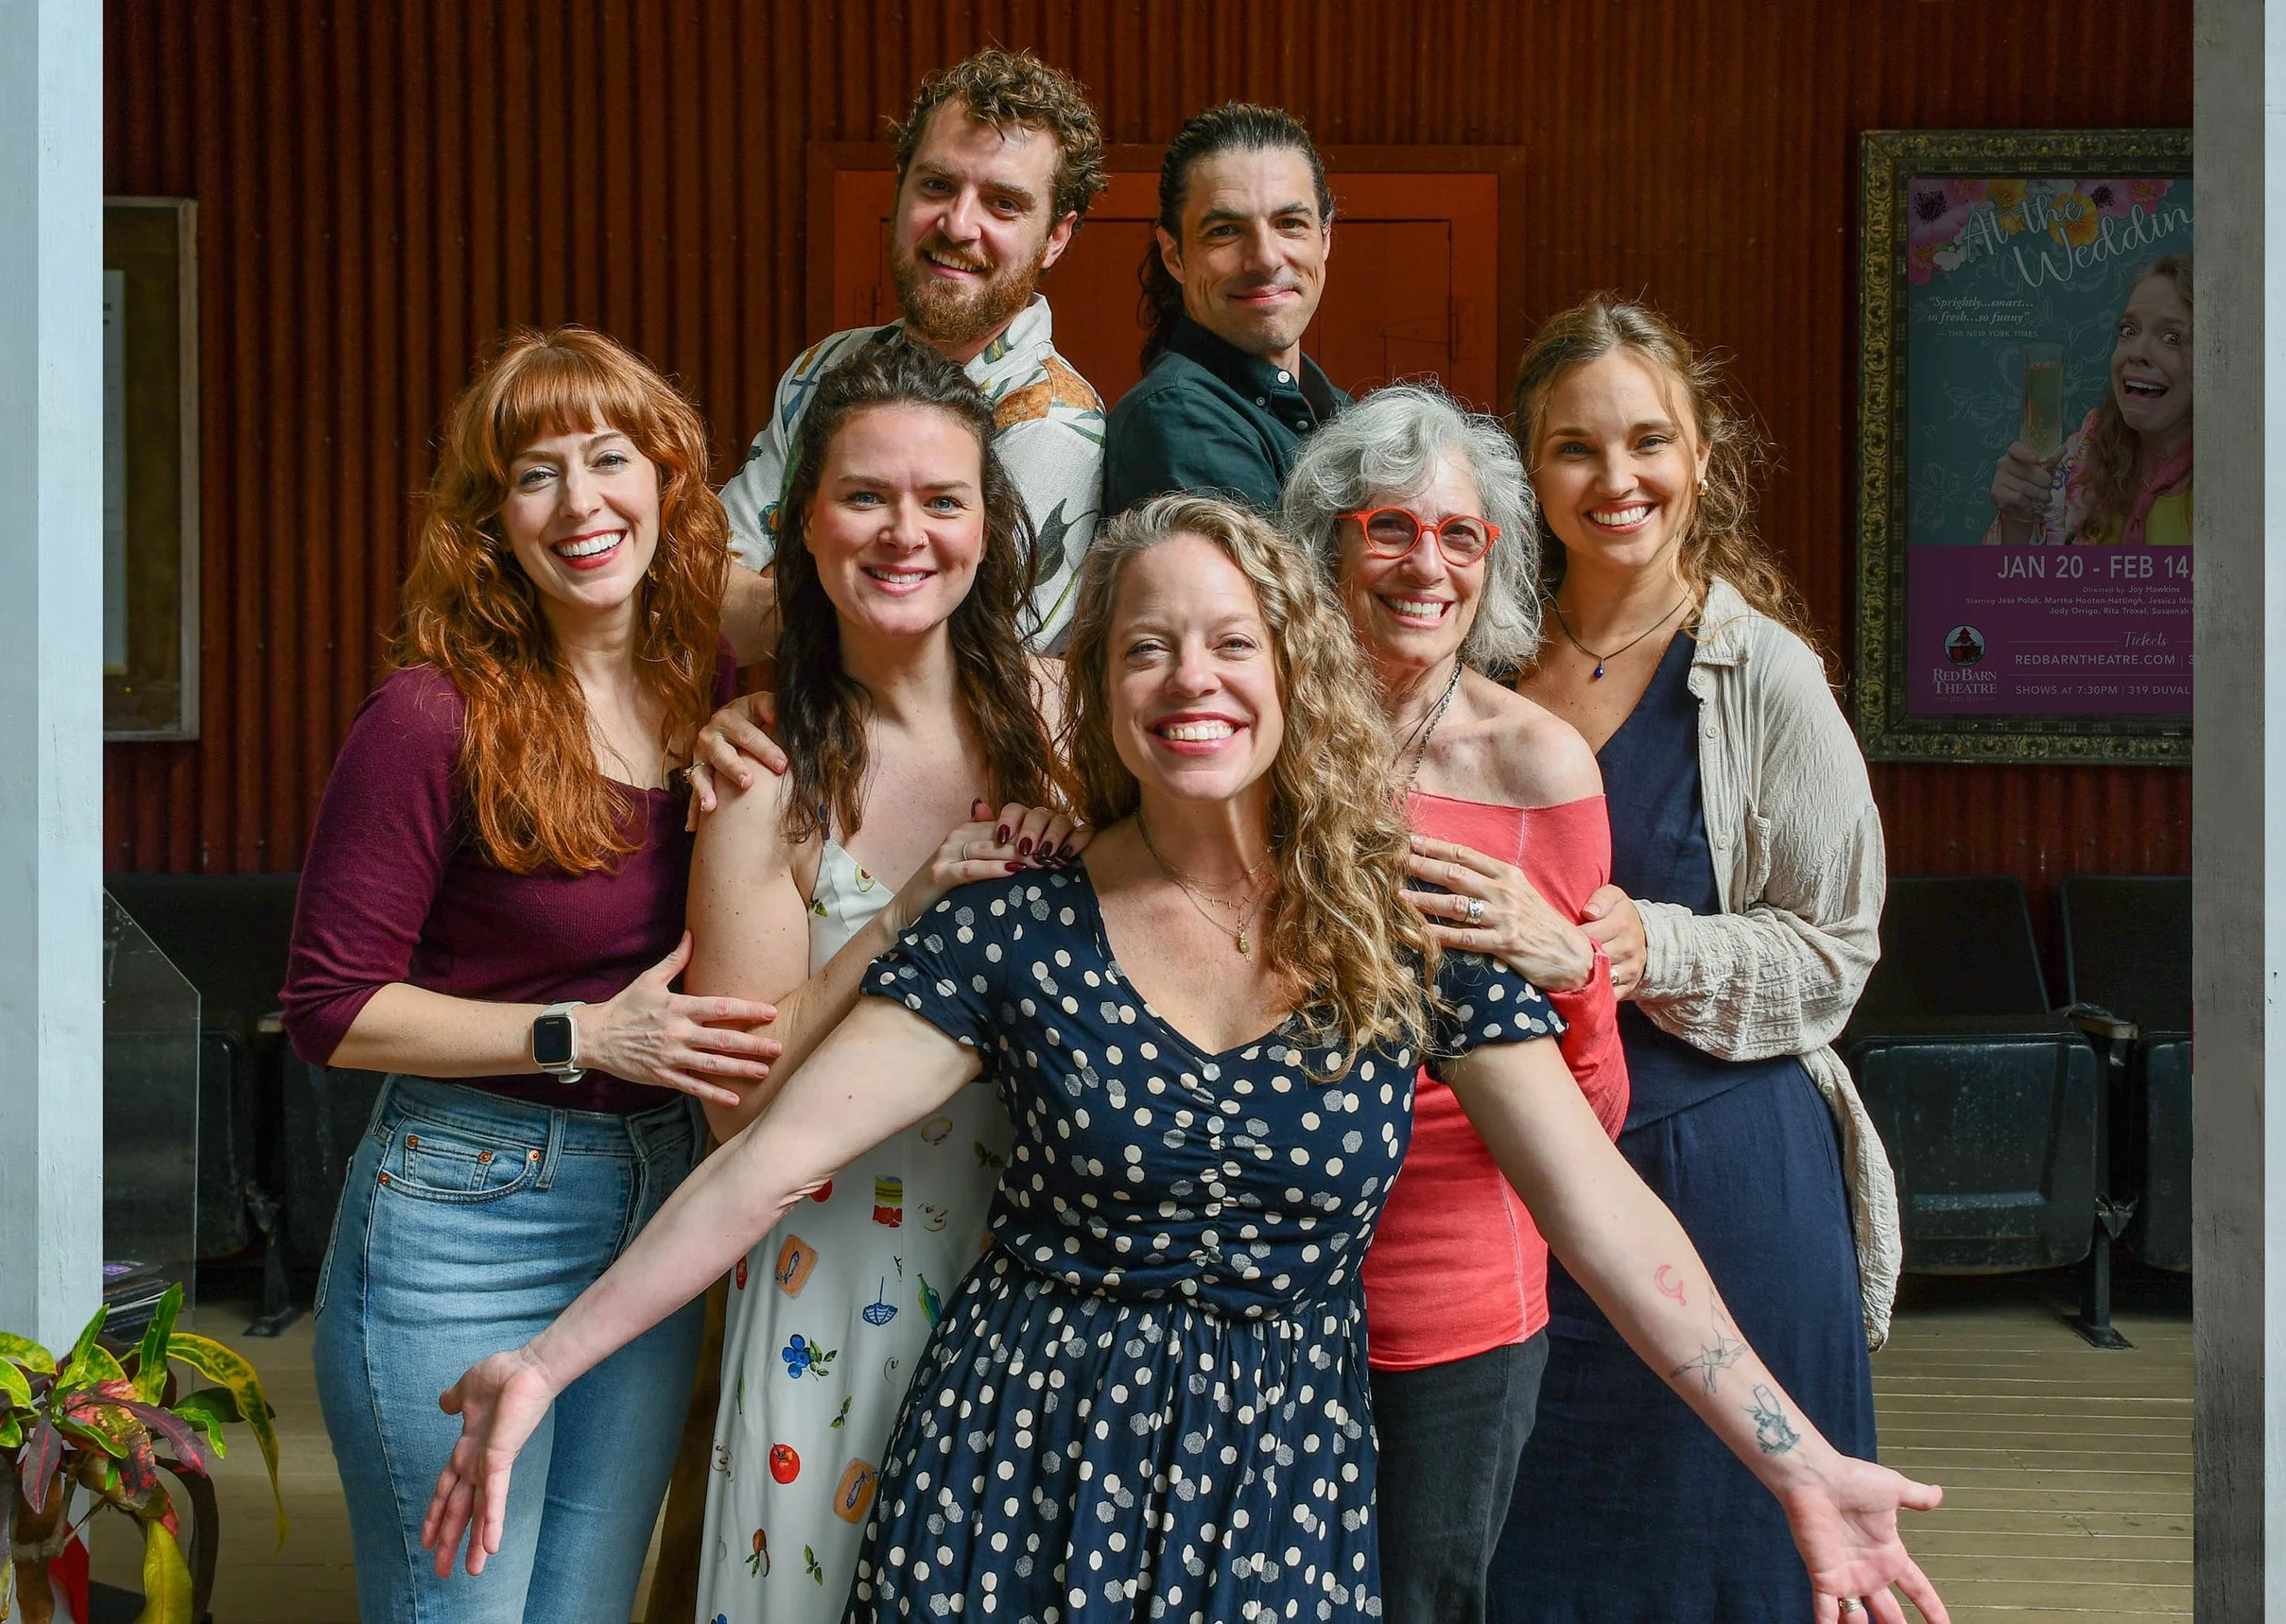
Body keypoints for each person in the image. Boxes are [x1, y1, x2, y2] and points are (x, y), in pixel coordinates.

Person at [421, 494, 1950, 1624]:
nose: (1188, 675)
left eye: (1228, 640)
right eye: (1143, 645)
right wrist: (549, 1358)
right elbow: (762, 1167)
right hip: (1009, 1468)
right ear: (1101, 692)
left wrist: (1799, 1458)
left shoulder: (1401, 924)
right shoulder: (1017, 925)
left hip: (1276, 1479)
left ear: (1294, 673)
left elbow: (1604, 1216)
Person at [280, 327, 777, 1624]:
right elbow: (332, 1008)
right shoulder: (432, 715)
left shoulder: (711, 688)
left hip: (657, 1203)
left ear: (669, 483)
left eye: (611, 459)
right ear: (492, 520)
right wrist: (584, 1036)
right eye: (535, 475)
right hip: (465, 1211)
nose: (580, 503)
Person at [1488, 293, 1903, 1623]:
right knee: (1535, 1548)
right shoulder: (1480, 660)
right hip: (1514, 1180)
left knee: (1722, 1564)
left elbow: (1838, 951)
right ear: (1529, 466)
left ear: (1702, 459)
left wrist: (1643, 941)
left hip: (1722, 1170)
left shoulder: (1762, 675)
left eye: (1648, 441)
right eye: (1575, 448)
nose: (1617, 480)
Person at [684, 337, 1083, 1624]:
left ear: (987, 525)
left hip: (1056, 1266)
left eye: (941, 499)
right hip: (840, 1281)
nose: (903, 532)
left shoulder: (1078, 724)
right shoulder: (764, 777)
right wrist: (906, 910)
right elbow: (734, 1106)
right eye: (865, 496)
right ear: (804, 524)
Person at [1279, 384, 1631, 1624]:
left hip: (1455, 1280)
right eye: (1388, 527)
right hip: (1255, 1269)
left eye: (1460, 535)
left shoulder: (1540, 765)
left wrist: (1574, 974)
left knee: (1425, 1597)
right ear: (1325, 541)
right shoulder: (1250, 737)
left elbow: (1593, 1116)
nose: (1425, 563)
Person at [719, 47, 1109, 658]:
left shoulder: (1054, 424)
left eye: (1003, 203)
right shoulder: (824, 367)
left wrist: (778, 605)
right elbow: (700, 575)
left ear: (1056, 237)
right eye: (937, 185)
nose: (958, 225)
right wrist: (833, 620)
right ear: (899, 188)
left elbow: (950, 670)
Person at [1101, 103, 1348, 516]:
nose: (1266, 259)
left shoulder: (1338, 410)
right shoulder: (1176, 419)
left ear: (1324, 238)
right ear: (1174, 255)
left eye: (1290, 223)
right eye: (1226, 231)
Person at [1987, 253, 2193, 546]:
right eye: (2129, 331)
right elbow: (2017, 589)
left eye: (2172, 338)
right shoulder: (2086, 448)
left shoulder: (2249, 484)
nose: (2136, 352)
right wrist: (2018, 521)